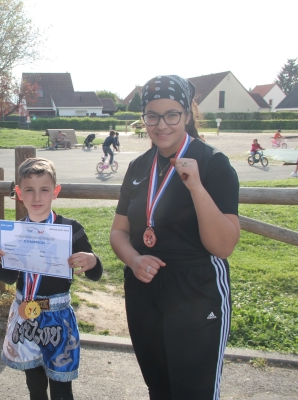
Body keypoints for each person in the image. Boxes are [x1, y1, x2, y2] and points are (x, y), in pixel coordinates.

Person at [110, 75, 240, 400]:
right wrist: (134, 259)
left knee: (193, 393)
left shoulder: (214, 165)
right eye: (152, 115)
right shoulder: (139, 167)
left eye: (171, 114)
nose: (161, 124)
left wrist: (195, 185)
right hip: (143, 287)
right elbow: (119, 232)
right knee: (159, 388)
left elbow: (223, 246)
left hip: (195, 289)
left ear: (186, 114)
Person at [0, 157, 103, 400]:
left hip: (57, 318)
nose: (37, 198)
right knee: (35, 384)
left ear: (55, 192)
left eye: (44, 190)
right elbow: (8, 277)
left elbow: (95, 274)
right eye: (29, 190)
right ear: (19, 193)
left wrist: (93, 260)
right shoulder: (15, 232)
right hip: (25, 314)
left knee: (61, 386)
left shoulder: (71, 229)